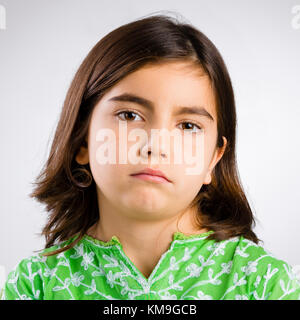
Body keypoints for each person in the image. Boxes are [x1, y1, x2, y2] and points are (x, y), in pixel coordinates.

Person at [1, 14, 300, 300]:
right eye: (130, 115)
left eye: (188, 126)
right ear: (82, 139)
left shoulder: (266, 285)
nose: (156, 145)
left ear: (214, 158)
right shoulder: (34, 286)